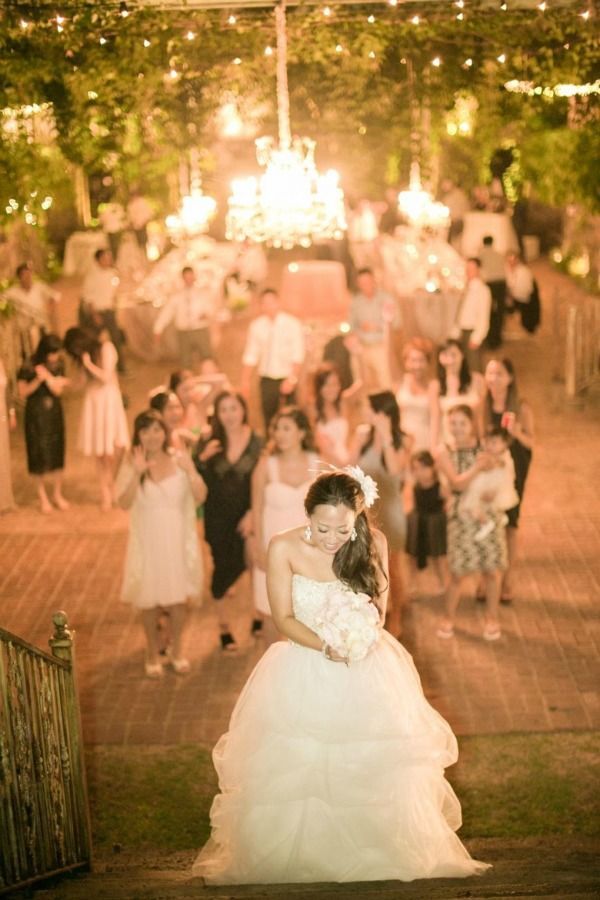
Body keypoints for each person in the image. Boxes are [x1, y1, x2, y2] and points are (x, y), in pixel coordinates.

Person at [193, 469, 490, 884]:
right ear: (307, 516)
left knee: (371, 766)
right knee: (302, 771)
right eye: (322, 528)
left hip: (365, 667)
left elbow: (381, 612)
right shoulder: (283, 547)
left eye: (343, 529)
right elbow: (283, 618)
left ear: (359, 518)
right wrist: (326, 645)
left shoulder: (375, 543)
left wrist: (357, 634)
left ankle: (376, 855)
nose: (332, 538)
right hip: (303, 666)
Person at [116, 409, 206, 678]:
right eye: (145, 431)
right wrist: (136, 473)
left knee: (178, 600)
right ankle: (152, 652)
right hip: (148, 541)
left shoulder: (179, 460)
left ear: (164, 432)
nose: (152, 436)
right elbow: (123, 502)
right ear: (138, 435)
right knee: (149, 601)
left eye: (157, 429)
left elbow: (200, 496)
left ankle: (177, 650)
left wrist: (191, 472)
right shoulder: (132, 461)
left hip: (177, 539)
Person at [194, 391, 264, 651]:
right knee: (222, 569)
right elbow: (198, 481)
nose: (229, 415)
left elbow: (263, 482)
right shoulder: (210, 442)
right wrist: (202, 459)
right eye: (223, 409)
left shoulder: (257, 443)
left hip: (248, 516)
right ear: (217, 414)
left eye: (234, 408)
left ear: (243, 410)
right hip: (218, 518)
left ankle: (257, 616)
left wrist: (253, 514)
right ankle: (224, 627)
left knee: (254, 564)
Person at [435, 405, 507, 642]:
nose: (457, 428)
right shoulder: (443, 452)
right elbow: (456, 484)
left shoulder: (485, 445)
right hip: (461, 516)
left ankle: (492, 618)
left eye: (462, 423)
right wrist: (477, 467)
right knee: (457, 572)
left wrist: (494, 488)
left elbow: (502, 467)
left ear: (471, 424)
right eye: (452, 423)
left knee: (492, 571)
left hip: (487, 513)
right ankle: (447, 616)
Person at [251, 407, 317, 635]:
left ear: (301, 433)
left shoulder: (316, 462)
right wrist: (259, 547)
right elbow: (257, 509)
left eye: (286, 428)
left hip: (309, 548)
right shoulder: (265, 466)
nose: (280, 434)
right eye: (276, 429)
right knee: (272, 611)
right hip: (273, 546)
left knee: (307, 612)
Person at [351, 390, 411, 636]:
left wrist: (386, 436)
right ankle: (372, 611)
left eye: (368, 408)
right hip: (365, 512)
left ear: (382, 413)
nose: (364, 412)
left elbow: (395, 468)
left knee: (392, 567)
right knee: (366, 564)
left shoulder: (404, 440)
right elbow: (350, 464)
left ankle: (396, 615)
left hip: (391, 511)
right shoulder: (362, 434)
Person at [484, 358, 534, 603]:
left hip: (514, 467)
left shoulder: (521, 407)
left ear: (510, 378)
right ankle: (486, 579)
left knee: (510, 524)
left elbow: (532, 444)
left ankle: (507, 580)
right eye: (490, 373)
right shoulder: (481, 405)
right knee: (487, 523)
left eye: (500, 373)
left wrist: (517, 432)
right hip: (488, 468)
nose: (494, 378)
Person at [64, 326, 130, 511]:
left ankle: (114, 486)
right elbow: (82, 382)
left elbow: (106, 377)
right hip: (94, 402)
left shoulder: (106, 348)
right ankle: (106, 493)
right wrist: (63, 383)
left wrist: (89, 365)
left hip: (109, 401)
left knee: (116, 449)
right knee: (100, 452)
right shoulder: (86, 358)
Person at [17, 334, 70, 513]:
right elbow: (22, 392)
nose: (55, 357)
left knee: (57, 451)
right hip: (35, 415)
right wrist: (38, 379)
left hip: (54, 413)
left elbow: (58, 391)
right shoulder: (28, 365)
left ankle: (57, 493)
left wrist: (47, 377)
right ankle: (42, 497)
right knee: (38, 453)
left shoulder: (58, 365)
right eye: (52, 353)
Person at [240, 288, 305, 431]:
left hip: (287, 377)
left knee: (290, 418)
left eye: (272, 302)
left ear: (278, 302)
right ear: (261, 305)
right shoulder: (257, 326)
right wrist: (245, 381)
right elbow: (251, 354)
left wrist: (292, 379)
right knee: (268, 418)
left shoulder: (292, 324)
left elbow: (298, 354)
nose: (269, 306)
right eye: (265, 303)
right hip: (266, 378)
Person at [458, 426, 519, 542]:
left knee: (472, 504)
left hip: (496, 487)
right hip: (485, 485)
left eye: (494, 443)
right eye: (488, 442)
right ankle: (492, 520)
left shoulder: (504, 457)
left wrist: (488, 459)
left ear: (505, 445)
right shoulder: (488, 454)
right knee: (471, 505)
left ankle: (486, 523)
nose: (490, 446)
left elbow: (498, 466)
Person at [153, 266, 218, 370]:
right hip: (183, 332)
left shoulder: (202, 294)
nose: (189, 280)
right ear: (183, 279)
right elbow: (167, 313)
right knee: (185, 361)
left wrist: (207, 315)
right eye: (186, 277)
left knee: (207, 358)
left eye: (191, 277)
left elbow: (211, 308)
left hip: (200, 329)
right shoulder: (177, 296)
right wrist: (158, 329)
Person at [349, 268, 400, 390]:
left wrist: (376, 327)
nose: (366, 286)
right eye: (362, 283)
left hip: (381, 346)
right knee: (362, 382)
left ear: (374, 281)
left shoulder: (386, 299)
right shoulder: (356, 302)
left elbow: (397, 323)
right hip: (362, 347)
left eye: (368, 282)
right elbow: (352, 326)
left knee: (385, 381)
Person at [405, 450, 448, 596]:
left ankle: (443, 583)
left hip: (435, 522)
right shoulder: (415, 485)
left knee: (438, 557)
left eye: (423, 468)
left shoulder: (440, 486)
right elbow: (411, 503)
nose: (419, 472)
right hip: (418, 522)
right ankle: (413, 584)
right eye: (415, 469)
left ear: (432, 467)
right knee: (413, 557)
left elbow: (448, 502)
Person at [80, 249, 126, 373]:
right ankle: (93, 367)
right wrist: (94, 314)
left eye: (109, 258)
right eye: (105, 258)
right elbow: (88, 298)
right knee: (94, 341)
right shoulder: (92, 276)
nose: (108, 260)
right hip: (97, 311)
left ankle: (121, 367)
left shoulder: (112, 273)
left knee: (116, 339)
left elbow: (114, 292)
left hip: (109, 311)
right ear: (99, 260)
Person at [433, 339, 485, 446]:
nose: (450, 360)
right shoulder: (436, 385)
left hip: (472, 440)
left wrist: (482, 440)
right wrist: (434, 446)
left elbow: (480, 416)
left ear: (462, 355)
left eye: (454, 354)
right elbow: (435, 418)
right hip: (448, 442)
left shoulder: (477, 380)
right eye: (445, 355)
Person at [4, 262, 60, 357]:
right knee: (28, 353)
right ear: (19, 277)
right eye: (24, 275)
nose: (28, 278)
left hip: (41, 325)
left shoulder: (39, 287)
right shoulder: (13, 292)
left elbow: (55, 296)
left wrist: (49, 309)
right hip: (25, 330)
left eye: (29, 274)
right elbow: (3, 298)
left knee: (46, 351)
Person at [311, 362, 359, 467]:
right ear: (319, 387)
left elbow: (362, 384)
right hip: (325, 463)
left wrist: (358, 354)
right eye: (327, 385)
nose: (331, 389)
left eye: (335, 384)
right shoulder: (313, 408)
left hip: (347, 457)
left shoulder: (343, 402)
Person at [396, 338, 438, 452]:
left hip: (424, 439)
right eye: (413, 360)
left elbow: (435, 417)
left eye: (421, 360)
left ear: (428, 362)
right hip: (403, 440)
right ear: (406, 362)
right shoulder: (400, 382)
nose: (417, 365)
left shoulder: (433, 385)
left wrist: (433, 447)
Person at [451, 257, 491, 373]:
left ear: (478, 270)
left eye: (472, 269)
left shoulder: (483, 290)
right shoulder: (467, 288)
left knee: (474, 367)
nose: (468, 272)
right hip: (463, 331)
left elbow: (483, 316)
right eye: (467, 269)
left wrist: (477, 337)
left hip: (472, 332)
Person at [479, 236, 507, 349]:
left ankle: (490, 338)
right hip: (501, 284)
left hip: (489, 284)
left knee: (488, 311)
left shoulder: (481, 255)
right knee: (499, 311)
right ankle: (497, 338)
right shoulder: (499, 254)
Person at [505, 251, 540, 334]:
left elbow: (527, 289)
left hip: (524, 297)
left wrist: (512, 295)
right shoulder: (506, 270)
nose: (511, 263)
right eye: (509, 261)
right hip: (512, 297)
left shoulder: (524, 271)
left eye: (513, 260)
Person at [0, 359, 15, 513]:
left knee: (2, 455)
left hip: (1, 416)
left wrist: (11, 412)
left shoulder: (1, 362)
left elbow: (7, 390)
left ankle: (3, 498)